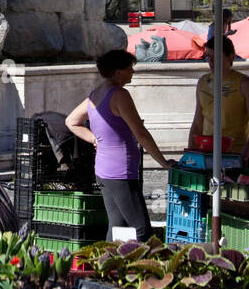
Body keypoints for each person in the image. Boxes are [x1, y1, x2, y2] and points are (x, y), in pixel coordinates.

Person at [65, 50, 172, 242]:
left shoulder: (95, 95)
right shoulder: (120, 95)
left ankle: (105, 269)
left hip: (104, 171)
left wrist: (95, 139)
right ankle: (145, 269)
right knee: (142, 232)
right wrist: (164, 163)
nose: (133, 71)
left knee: (117, 227)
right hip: (121, 173)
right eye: (129, 68)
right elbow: (141, 133)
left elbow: (71, 121)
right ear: (117, 72)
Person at [187, 37, 249, 166]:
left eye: (216, 57)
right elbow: (197, 123)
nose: (211, 61)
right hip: (205, 154)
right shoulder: (203, 82)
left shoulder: (245, 84)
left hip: (234, 154)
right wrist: (190, 153)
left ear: (231, 57)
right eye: (208, 56)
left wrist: (245, 154)